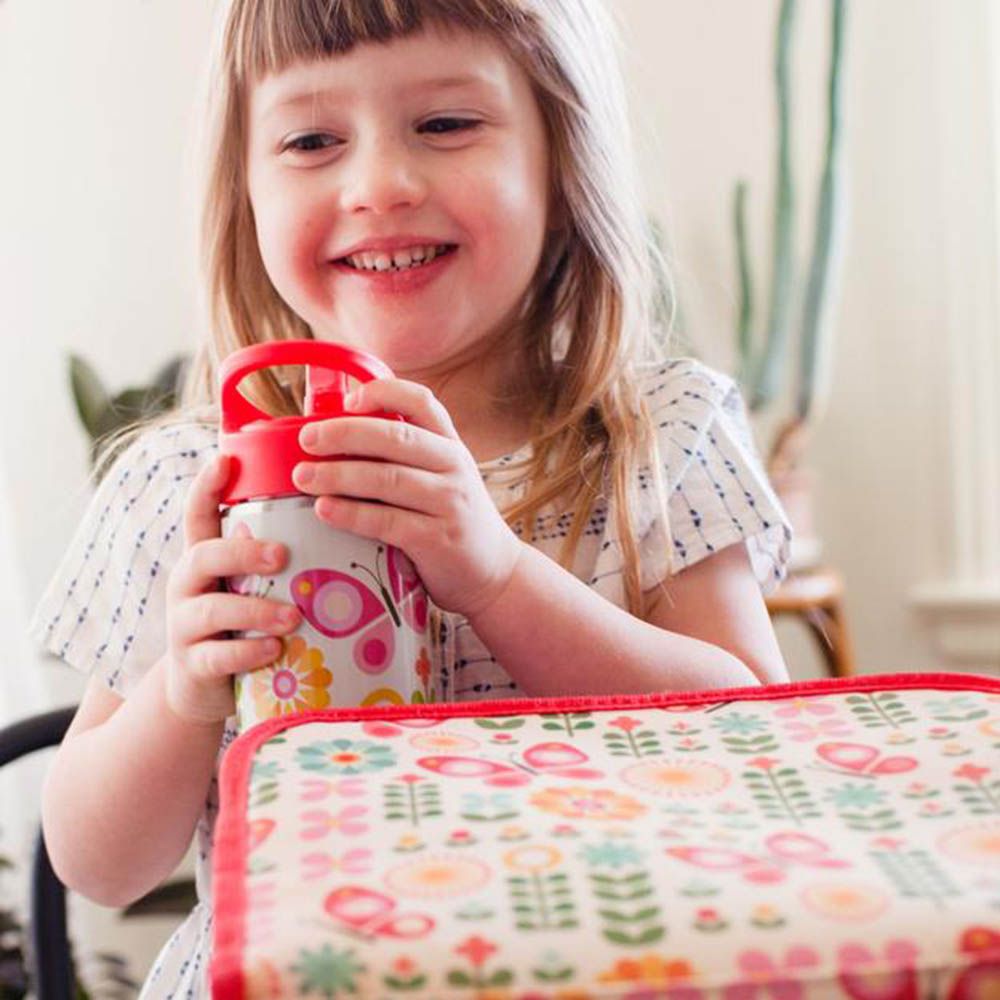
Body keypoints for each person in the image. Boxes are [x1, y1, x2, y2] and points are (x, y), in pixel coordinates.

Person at [30, 0, 792, 992]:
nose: (380, 184)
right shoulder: (186, 485)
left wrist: (499, 579)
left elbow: (758, 746)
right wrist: (182, 686)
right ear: (246, 195)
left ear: (559, 168)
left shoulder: (657, 437)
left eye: (444, 124)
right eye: (310, 139)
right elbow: (97, 863)